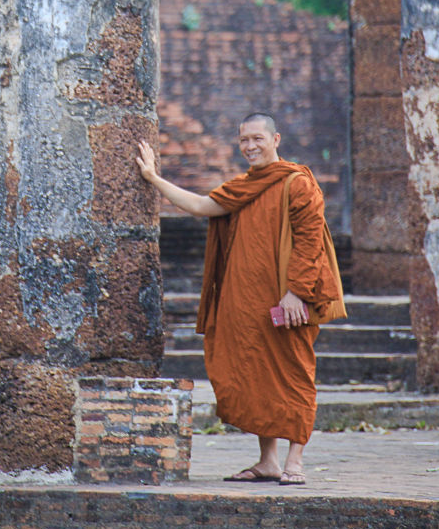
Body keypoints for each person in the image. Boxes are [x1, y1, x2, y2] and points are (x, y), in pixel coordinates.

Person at [136, 112, 344, 485]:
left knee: (295, 373)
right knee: (255, 375)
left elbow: (311, 241)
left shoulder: (297, 184)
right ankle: (268, 461)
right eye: (244, 140)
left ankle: (294, 461)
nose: (250, 146)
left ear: (276, 139)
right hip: (248, 302)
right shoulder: (243, 187)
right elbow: (201, 206)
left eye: (257, 139)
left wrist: (296, 292)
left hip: (290, 299)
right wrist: (153, 179)